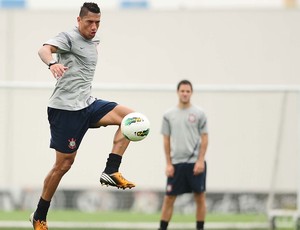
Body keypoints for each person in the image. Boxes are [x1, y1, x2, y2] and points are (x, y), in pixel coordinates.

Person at [30, 3, 136, 230]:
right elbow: (43, 50)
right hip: (65, 110)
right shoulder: (68, 37)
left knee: (132, 119)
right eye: (89, 22)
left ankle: (111, 170)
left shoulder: (92, 42)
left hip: (87, 104)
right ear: (79, 20)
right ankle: (39, 215)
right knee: (63, 165)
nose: (94, 27)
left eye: (98, 23)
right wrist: (53, 63)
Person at [158, 80, 209, 230]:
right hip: (177, 163)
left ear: (191, 93)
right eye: (182, 91)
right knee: (169, 198)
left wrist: (200, 160)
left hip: (195, 163)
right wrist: (168, 163)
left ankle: (200, 228)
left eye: (188, 91)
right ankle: (162, 228)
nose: (185, 94)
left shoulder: (199, 113)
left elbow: (205, 138)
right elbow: (166, 140)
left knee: (199, 197)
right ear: (178, 92)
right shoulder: (168, 115)